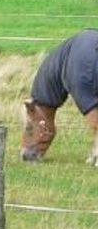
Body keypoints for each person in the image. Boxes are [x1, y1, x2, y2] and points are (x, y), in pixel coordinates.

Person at [21, 30, 98, 164]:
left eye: (30, 129)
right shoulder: (52, 71)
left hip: (84, 59)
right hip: (86, 49)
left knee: (92, 113)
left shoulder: (73, 71)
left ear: (32, 109)